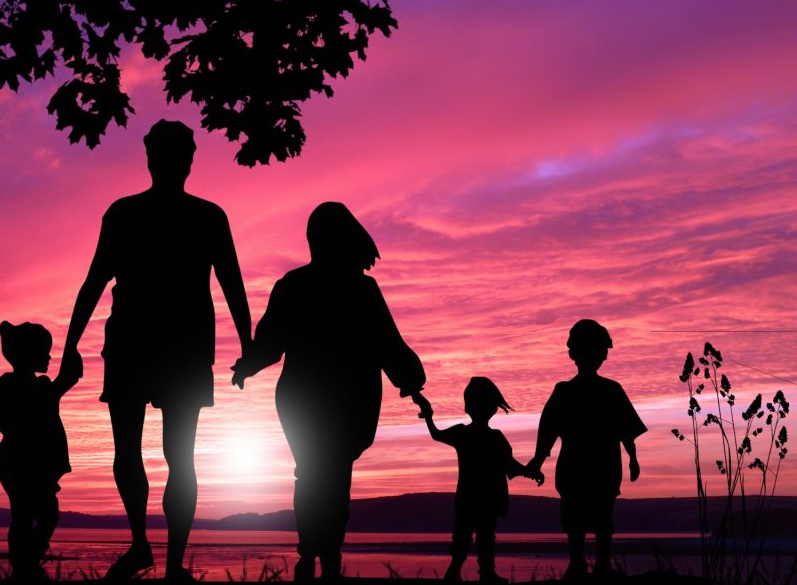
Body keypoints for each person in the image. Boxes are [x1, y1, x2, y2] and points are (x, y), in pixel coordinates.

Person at [61, 120, 252, 582]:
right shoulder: (126, 214)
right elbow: (94, 281)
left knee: (174, 455)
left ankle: (167, 561)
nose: (172, 162)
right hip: (133, 343)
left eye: (178, 154)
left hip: (180, 348)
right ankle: (147, 550)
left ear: (187, 160)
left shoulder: (207, 216)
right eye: (167, 154)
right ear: (154, 160)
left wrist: (249, 345)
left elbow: (232, 283)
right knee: (137, 452)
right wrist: (70, 345)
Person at [231, 202, 425, 581]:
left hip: (317, 397)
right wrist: (409, 378)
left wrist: (409, 379)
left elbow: (385, 342)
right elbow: (388, 344)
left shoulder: (297, 285)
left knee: (315, 474)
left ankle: (315, 555)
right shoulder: (352, 288)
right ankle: (322, 555)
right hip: (331, 397)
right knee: (330, 475)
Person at [525, 319, 646, 579]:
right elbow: (548, 430)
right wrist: (537, 459)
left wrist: (633, 457)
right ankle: (579, 563)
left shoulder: (609, 389)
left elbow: (626, 428)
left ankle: (599, 564)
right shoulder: (567, 390)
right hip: (580, 463)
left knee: (600, 514)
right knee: (577, 515)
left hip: (597, 462)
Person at [412, 379, 543, 584]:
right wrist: (530, 471)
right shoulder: (490, 437)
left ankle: (467, 572)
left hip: (472, 496)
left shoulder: (468, 434)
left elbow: (510, 465)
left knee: (474, 535)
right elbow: (511, 466)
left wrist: (428, 414)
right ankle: (471, 572)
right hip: (484, 496)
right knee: (480, 536)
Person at [0, 320, 81, 580]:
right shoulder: (8, 384)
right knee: (23, 516)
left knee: (45, 514)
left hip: (39, 465)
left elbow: (65, 379)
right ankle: (24, 567)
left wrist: (73, 350)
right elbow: (1, 421)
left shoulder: (43, 386)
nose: (49, 356)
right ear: (27, 353)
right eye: (44, 351)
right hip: (19, 462)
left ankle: (27, 563)